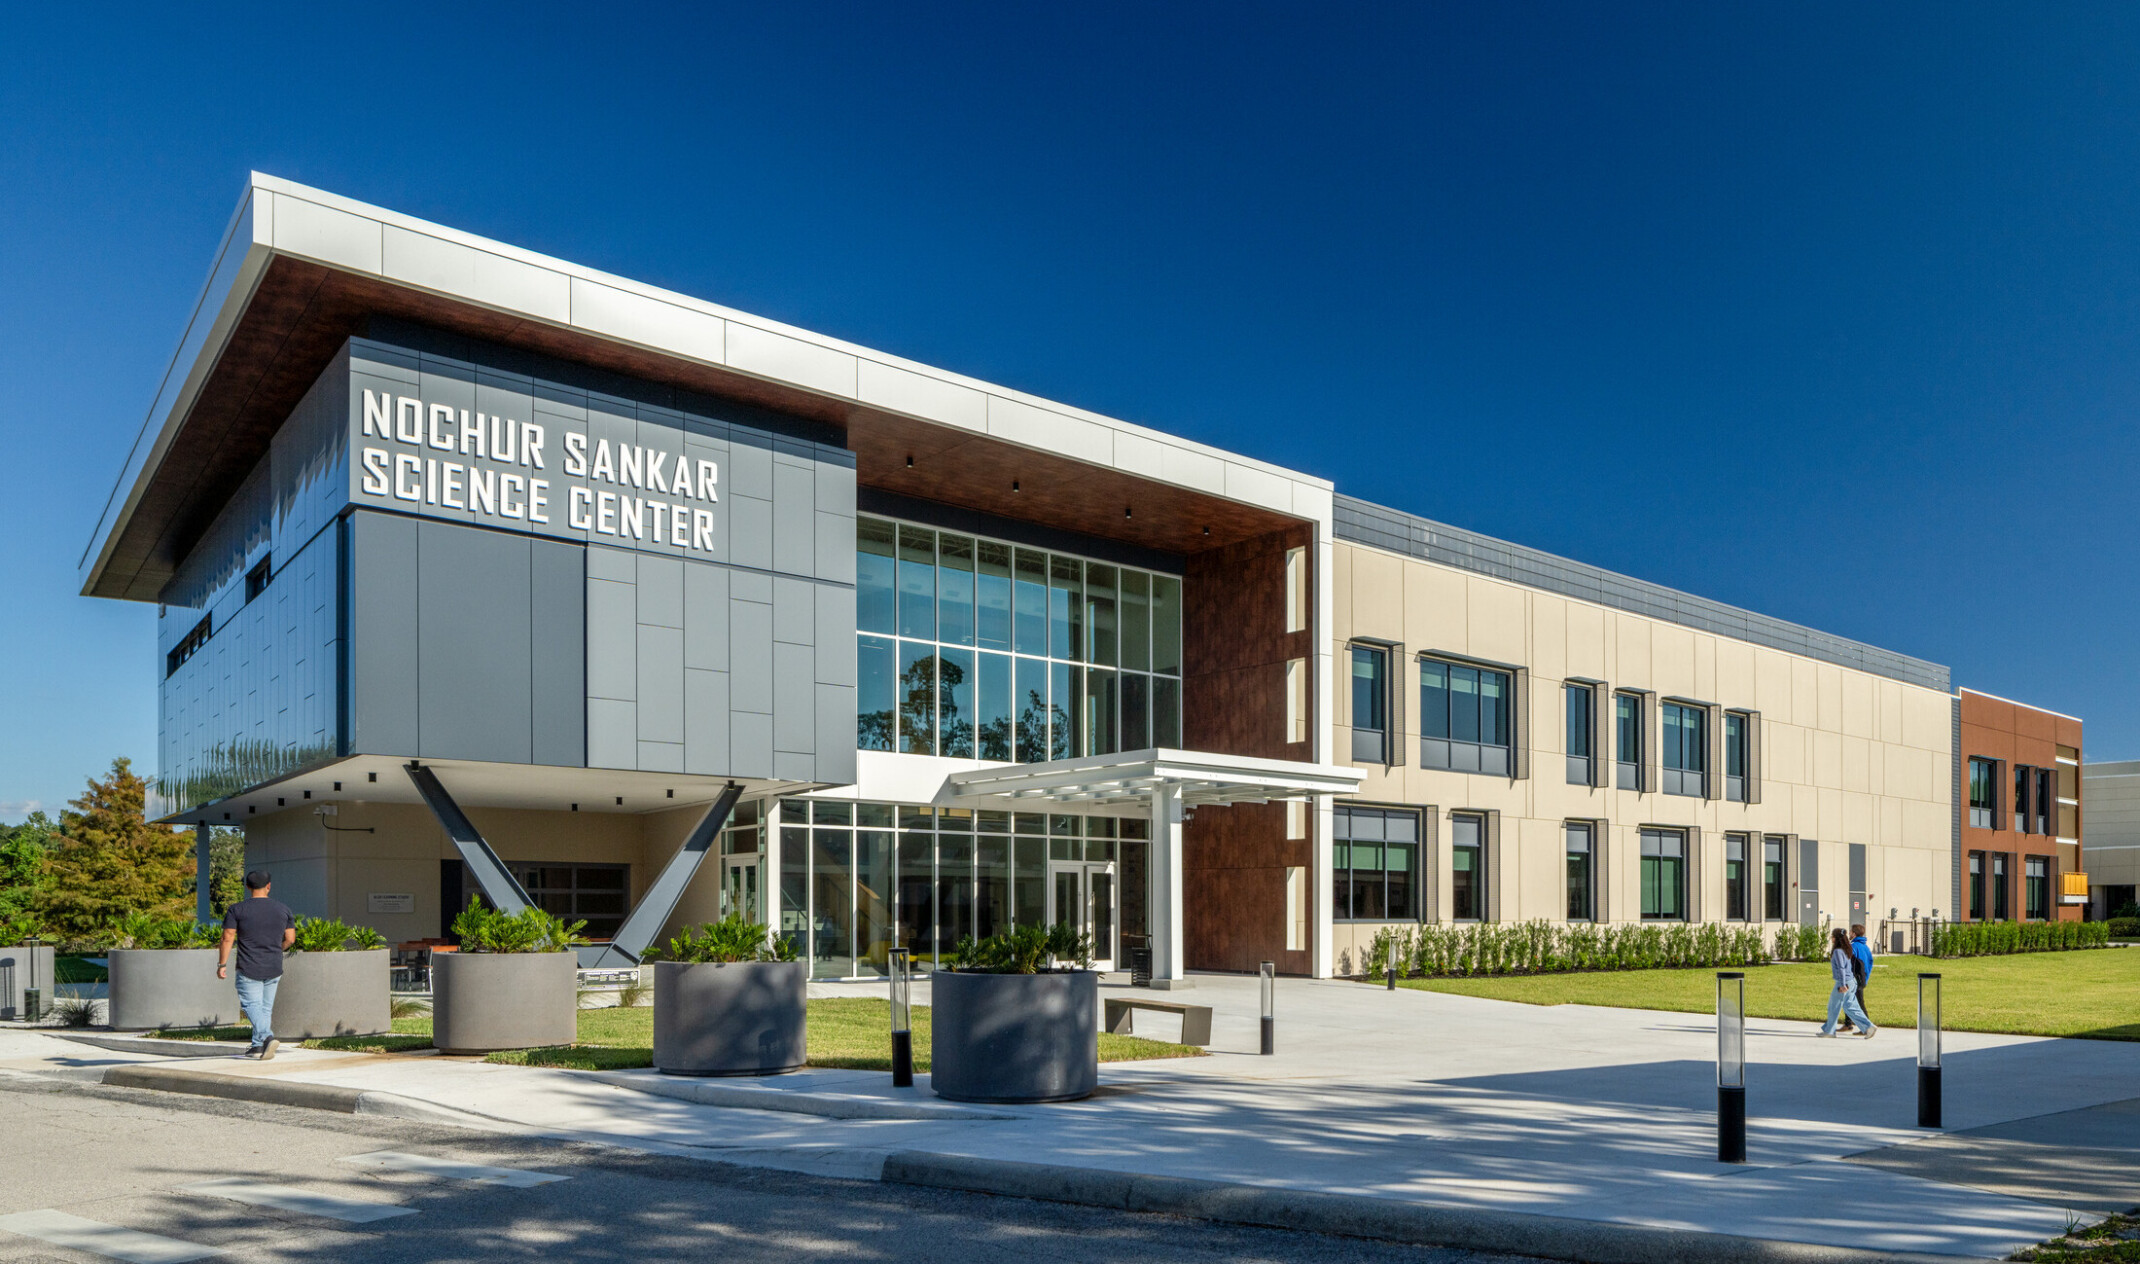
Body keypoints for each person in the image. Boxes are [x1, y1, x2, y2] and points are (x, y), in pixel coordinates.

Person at [218, 870, 295, 1059]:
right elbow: (290, 939)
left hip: (248, 966)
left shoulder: (236, 909)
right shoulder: (283, 909)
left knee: (251, 1004)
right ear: (268, 886)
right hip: (274, 966)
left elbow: (228, 937)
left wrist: (222, 964)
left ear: (247, 887)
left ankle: (266, 1037)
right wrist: (278, 950)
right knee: (264, 1008)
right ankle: (257, 1046)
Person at [1817, 925, 1875, 1039]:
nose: (1831, 938)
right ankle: (1869, 1027)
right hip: (1851, 981)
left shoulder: (1838, 951)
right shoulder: (1847, 949)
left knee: (1833, 1006)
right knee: (1850, 1007)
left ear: (1836, 938)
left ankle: (1829, 1031)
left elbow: (1842, 969)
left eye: (1832, 936)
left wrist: (1843, 984)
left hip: (1844, 982)